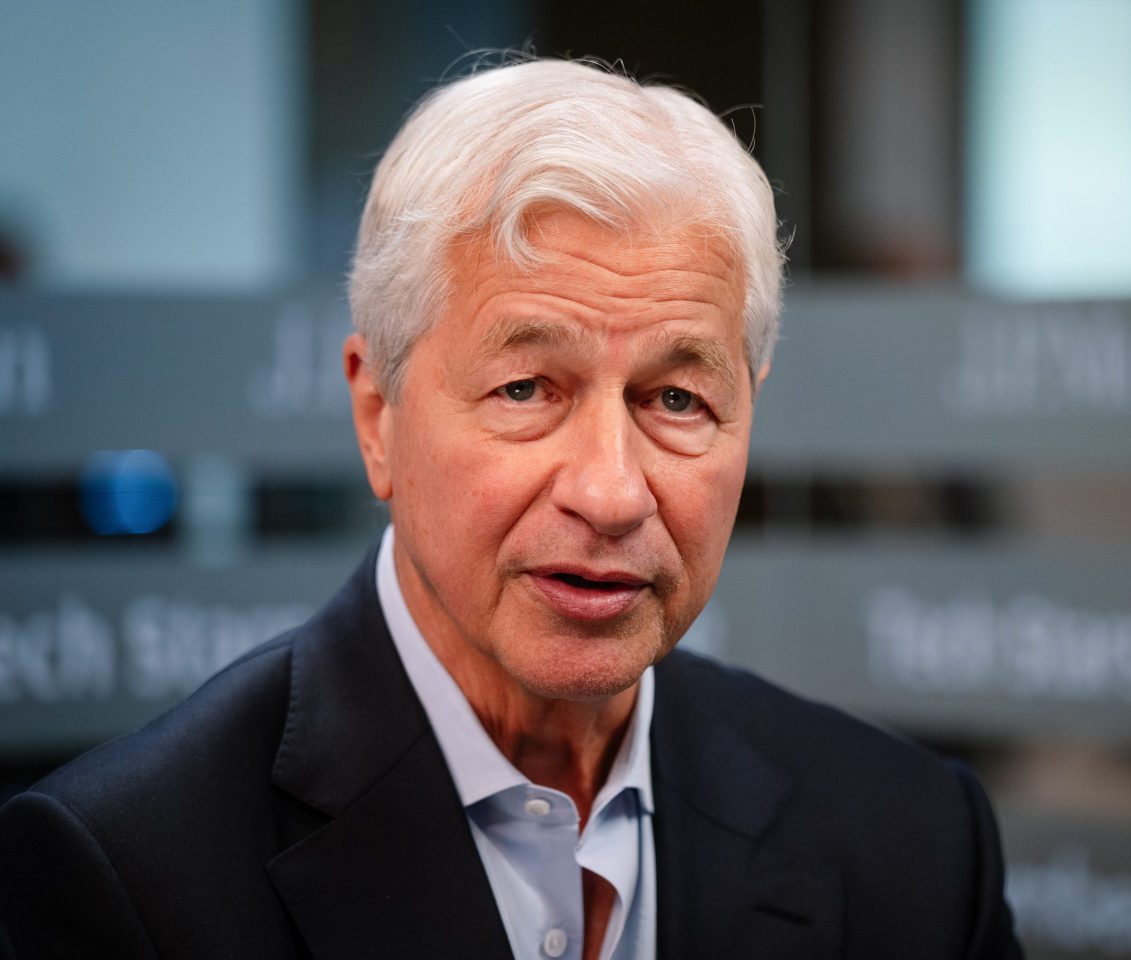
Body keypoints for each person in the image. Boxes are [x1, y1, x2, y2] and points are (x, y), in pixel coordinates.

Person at [0, 59, 1022, 959]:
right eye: (527, 390)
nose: (612, 492)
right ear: (377, 415)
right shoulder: (128, 876)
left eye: (677, 399)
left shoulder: (916, 848)